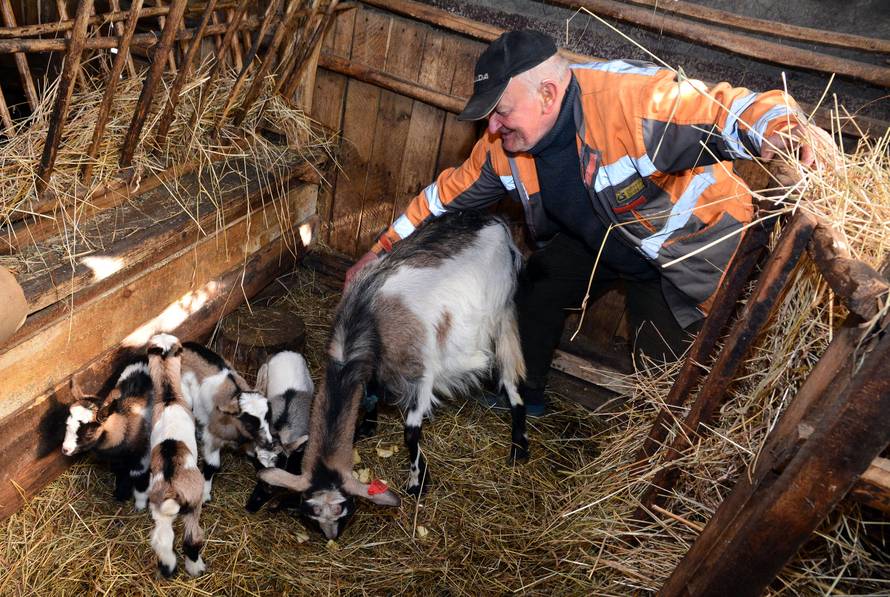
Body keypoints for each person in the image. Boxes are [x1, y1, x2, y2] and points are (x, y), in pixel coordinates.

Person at [344, 30, 837, 416]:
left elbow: (726, 106)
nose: (491, 127)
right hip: (595, 238)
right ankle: (526, 395)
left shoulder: (631, 103)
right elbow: (443, 197)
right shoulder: (504, 146)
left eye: (500, 112)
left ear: (548, 93)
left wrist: (782, 126)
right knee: (535, 287)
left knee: (666, 367)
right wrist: (381, 250)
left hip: (679, 251)